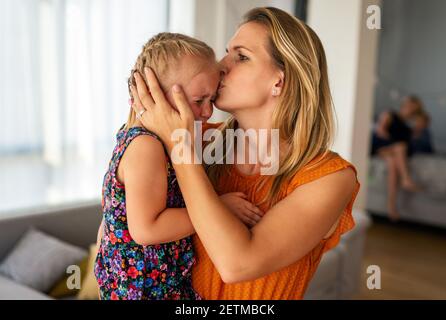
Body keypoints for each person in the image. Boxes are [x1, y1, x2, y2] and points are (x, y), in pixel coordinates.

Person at [130, 7, 360, 299]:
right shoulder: (196, 137)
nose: (221, 64)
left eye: (241, 56)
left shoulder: (328, 178)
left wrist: (179, 148)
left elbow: (237, 264)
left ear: (279, 81)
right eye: (227, 52)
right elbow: (119, 224)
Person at [94, 33, 262, 300]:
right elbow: (146, 229)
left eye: (212, 98)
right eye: (199, 101)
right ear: (155, 95)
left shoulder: (165, 141)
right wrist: (220, 207)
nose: (208, 112)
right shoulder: (146, 147)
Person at [371, 95, 424, 221]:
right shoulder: (389, 114)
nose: (410, 111)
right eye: (409, 107)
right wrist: (394, 143)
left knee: (392, 163)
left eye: (414, 110)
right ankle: (406, 179)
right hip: (381, 146)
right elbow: (380, 131)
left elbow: (412, 141)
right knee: (400, 147)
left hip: (393, 153)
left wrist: (418, 127)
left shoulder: (409, 126)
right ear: (404, 105)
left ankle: (391, 206)